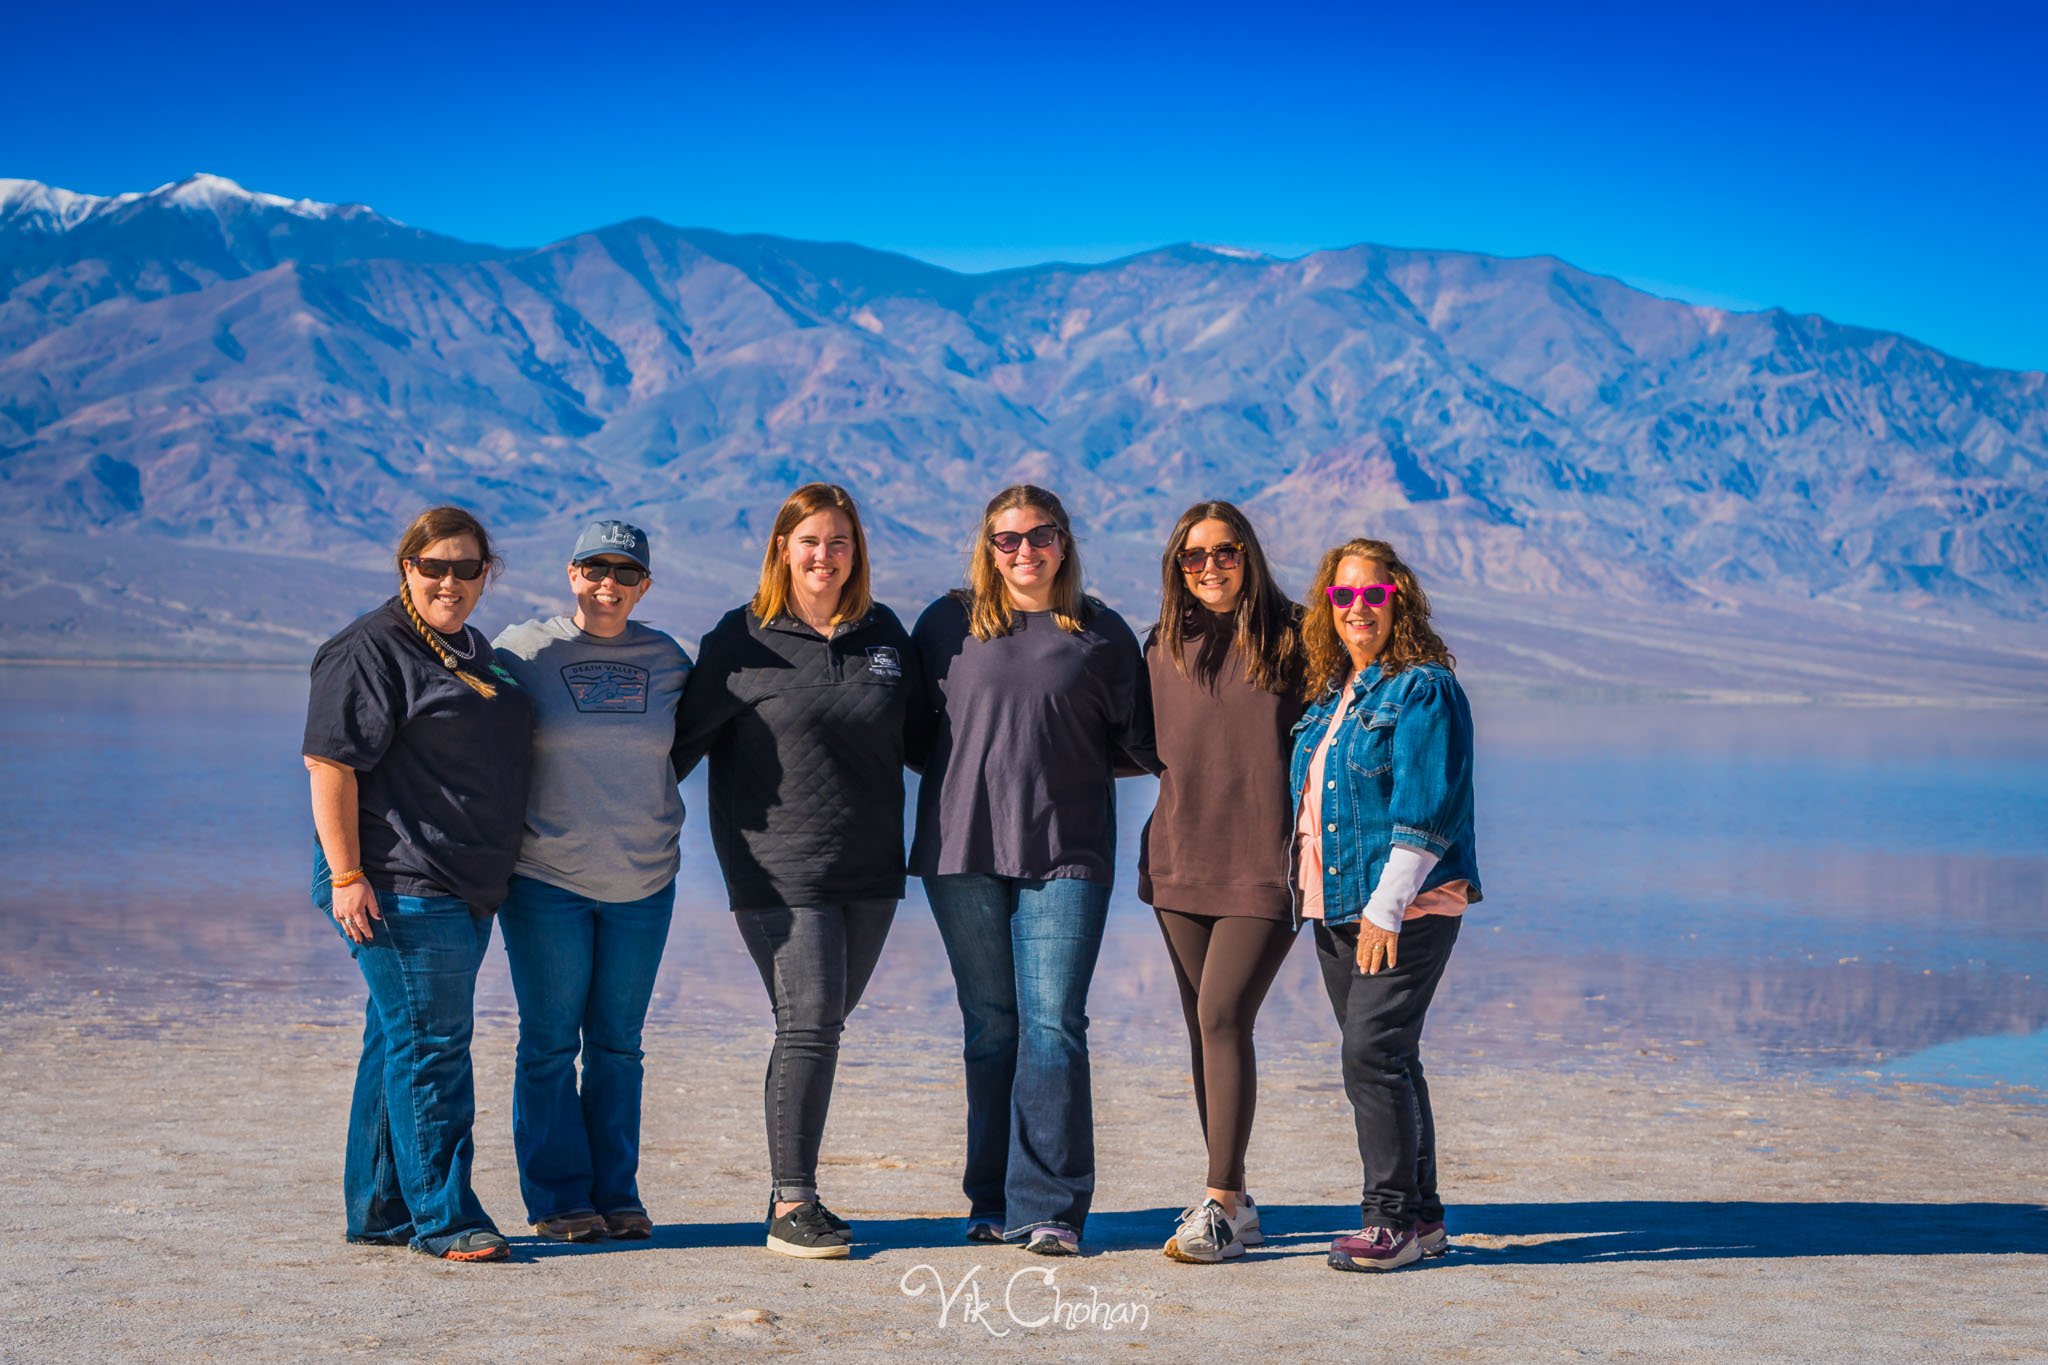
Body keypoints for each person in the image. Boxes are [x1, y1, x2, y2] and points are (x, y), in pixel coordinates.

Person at [671, 483, 923, 1260]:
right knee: (810, 1017)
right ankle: (792, 1201)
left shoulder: (884, 634)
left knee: (817, 1026)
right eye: (810, 540)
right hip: (778, 871)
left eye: (839, 542)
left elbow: (927, 743)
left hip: (872, 870)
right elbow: (672, 752)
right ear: (783, 546)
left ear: (858, 552)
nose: (825, 555)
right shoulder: (741, 639)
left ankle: (792, 1187)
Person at [909, 483, 1153, 1257]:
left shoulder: (1101, 630)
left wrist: (1055, 771)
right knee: (991, 1028)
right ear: (986, 547)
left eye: (1039, 535)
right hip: (961, 850)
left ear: (1065, 541)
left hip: (1066, 852)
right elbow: (915, 732)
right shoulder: (945, 624)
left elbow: (1137, 740)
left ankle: (1050, 1207)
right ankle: (990, 1199)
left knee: (1053, 1026)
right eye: (1006, 539)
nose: (1023, 551)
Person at [302, 505, 534, 1262]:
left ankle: (378, 1206)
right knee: (433, 1045)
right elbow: (330, 763)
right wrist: (346, 875)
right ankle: (445, 1216)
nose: (449, 580)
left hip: (461, 881)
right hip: (398, 880)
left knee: (396, 1040)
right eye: (433, 565)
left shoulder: (474, 649)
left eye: (466, 568)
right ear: (407, 567)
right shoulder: (370, 648)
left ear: (484, 575)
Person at [490, 520, 690, 1243]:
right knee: (548, 1043)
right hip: (546, 878)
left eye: (625, 573)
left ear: (644, 585)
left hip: (644, 879)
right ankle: (558, 1199)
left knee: (618, 1045)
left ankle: (617, 1193)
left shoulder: (669, 659)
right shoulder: (525, 650)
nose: (609, 583)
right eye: (595, 569)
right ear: (572, 573)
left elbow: (699, 740)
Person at [1290, 537, 1480, 1273]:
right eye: (1343, 595)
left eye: (1373, 593)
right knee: (1389, 1054)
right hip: (1337, 902)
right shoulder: (1338, 695)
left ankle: (1389, 1220)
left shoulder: (1423, 687)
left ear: (1398, 597)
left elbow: (1425, 808)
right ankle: (1426, 1218)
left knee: (1370, 1052)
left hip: (1406, 904)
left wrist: (1387, 906)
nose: (1358, 607)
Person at [1140, 501, 1305, 1264]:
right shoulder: (1162, 643)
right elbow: (1129, 742)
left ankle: (1219, 1202)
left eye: (1225, 551)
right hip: (1179, 861)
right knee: (1207, 1032)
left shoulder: (1299, 637)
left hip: (1265, 866)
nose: (1210, 566)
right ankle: (1233, 1197)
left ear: (1251, 554)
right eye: (1192, 556)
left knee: (1221, 1015)